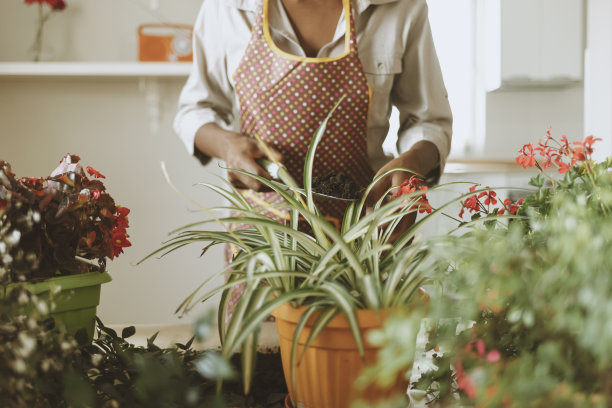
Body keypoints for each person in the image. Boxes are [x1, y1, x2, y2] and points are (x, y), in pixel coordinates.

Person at [174, 0, 452, 234]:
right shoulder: (227, 7)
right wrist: (227, 146)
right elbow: (194, 111)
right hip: (263, 239)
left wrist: (413, 160)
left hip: (364, 234)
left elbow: (429, 121)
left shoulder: (399, 6)